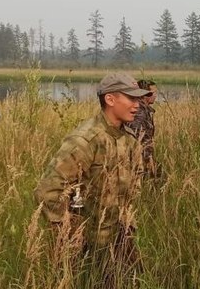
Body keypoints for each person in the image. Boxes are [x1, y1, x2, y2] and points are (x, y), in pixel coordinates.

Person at [35, 72, 151, 255]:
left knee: (134, 282)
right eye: (131, 98)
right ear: (110, 99)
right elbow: (48, 191)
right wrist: (71, 234)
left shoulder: (129, 140)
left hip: (121, 238)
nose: (137, 105)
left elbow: (134, 186)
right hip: (89, 244)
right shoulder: (86, 140)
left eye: (138, 98)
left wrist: (127, 222)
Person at [125, 79, 161, 178]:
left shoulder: (145, 110)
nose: (155, 96)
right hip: (140, 159)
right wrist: (145, 161)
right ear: (145, 94)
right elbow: (136, 139)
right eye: (153, 93)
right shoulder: (139, 113)